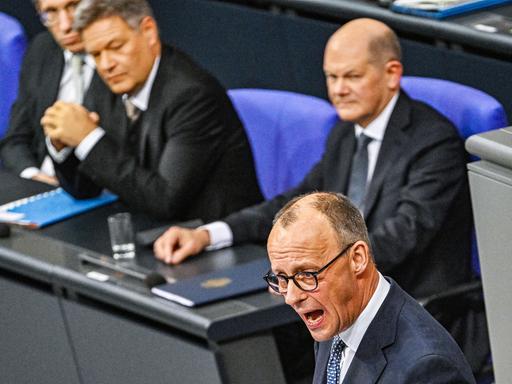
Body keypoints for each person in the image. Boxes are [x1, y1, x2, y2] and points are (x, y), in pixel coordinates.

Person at [154, 18, 471, 300]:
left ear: (391, 74)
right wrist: (210, 234)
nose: (338, 90)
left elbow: (402, 236)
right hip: (342, 295)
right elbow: (298, 202)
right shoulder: (346, 134)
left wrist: (313, 275)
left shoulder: (433, 141)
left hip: (408, 303)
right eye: (331, 77)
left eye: (352, 77)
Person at [40, 0, 262, 221]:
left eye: (116, 47)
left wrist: (88, 139)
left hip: (214, 238)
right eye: (96, 54)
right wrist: (67, 146)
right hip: (146, 230)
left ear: (148, 31)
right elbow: (85, 189)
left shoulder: (192, 95)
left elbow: (165, 200)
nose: (106, 64)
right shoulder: (107, 81)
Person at [265, 192, 475, 383]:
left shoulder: (427, 368)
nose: (291, 297)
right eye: (281, 278)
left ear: (357, 259)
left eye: (306, 275)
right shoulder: (336, 321)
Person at [0, 0, 110, 186]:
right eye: (51, 12)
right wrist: (33, 176)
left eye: (74, 7)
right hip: (40, 185)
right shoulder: (41, 49)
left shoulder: (119, 62)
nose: (66, 25)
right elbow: (15, 138)